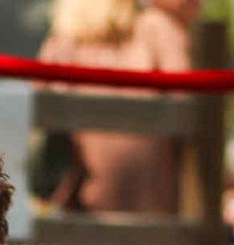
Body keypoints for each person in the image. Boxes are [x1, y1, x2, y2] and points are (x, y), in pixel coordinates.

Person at [38, 0, 198, 216]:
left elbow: (34, 113)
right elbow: (194, 120)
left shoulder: (64, 39)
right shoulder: (159, 30)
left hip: (78, 213)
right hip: (153, 216)